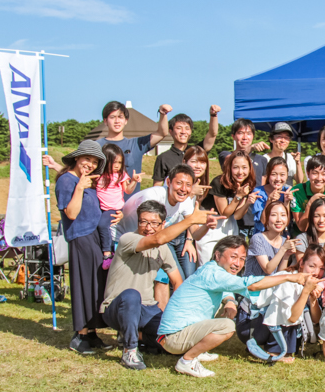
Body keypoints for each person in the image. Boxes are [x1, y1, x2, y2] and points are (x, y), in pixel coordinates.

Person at [157, 236, 309, 377]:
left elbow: (222, 289)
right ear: (217, 255)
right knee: (227, 326)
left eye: (242, 259)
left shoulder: (211, 269)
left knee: (225, 317)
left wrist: (230, 301)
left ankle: (196, 351)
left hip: (174, 334)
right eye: (233, 257)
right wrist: (290, 277)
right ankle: (187, 361)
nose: (238, 263)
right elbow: (252, 285)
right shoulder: (214, 274)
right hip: (173, 338)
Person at [100, 200, 216, 370]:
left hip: (147, 309)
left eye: (154, 223)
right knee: (132, 294)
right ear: (137, 222)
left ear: (163, 224)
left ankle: (136, 336)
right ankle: (129, 350)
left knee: (172, 338)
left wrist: (176, 315)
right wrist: (190, 221)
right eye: (144, 222)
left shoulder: (163, 250)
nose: (148, 228)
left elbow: (177, 282)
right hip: (116, 308)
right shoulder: (128, 240)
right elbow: (157, 239)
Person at [55, 140, 115, 354]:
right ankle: (79, 336)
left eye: (94, 161)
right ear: (77, 158)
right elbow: (70, 213)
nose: (90, 164)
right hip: (81, 237)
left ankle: (91, 333)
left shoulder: (85, 180)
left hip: (95, 238)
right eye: (87, 159)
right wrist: (80, 187)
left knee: (96, 286)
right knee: (83, 286)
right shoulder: (67, 181)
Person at [115, 164, 223, 284]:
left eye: (188, 185)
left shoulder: (185, 202)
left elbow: (196, 234)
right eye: (179, 183)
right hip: (122, 239)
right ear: (168, 182)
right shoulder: (153, 197)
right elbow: (152, 234)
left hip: (147, 241)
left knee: (164, 280)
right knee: (132, 282)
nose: (183, 189)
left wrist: (206, 226)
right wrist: (191, 220)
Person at [43, 101, 172, 198]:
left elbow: (161, 133)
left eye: (120, 117)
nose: (117, 121)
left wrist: (162, 114)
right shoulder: (96, 146)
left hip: (131, 205)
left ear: (126, 120)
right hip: (103, 208)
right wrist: (54, 165)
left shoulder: (136, 143)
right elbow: (78, 174)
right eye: (112, 117)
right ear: (105, 121)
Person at [236, 245, 325, 363]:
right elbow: (292, 318)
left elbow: (316, 319)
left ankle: (280, 348)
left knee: (294, 313)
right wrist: (305, 292)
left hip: (265, 321)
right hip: (249, 324)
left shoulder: (309, 283)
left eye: (322, 268)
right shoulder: (288, 280)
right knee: (286, 313)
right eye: (311, 266)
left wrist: (313, 299)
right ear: (301, 263)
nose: (316, 272)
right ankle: (273, 351)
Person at [95, 143, 143, 269]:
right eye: (114, 162)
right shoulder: (99, 175)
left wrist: (133, 181)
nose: (117, 166)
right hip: (102, 209)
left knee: (102, 225)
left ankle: (107, 254)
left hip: (114, 208)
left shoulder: (120, 175)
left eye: (120, 162)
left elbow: (127, 190)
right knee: (106, 229)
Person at [152, 106, 221, 185]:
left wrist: (213, 115)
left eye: (187, 128)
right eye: (179, 128)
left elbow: (212, 134)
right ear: (170, 131)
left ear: (191, 132)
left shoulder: (197, 151)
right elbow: (157, 187)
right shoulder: (163, 158)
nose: (183, 132)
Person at [243, 202, 300, 277]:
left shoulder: (284, 241)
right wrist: (283, 249)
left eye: (283, 215)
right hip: (254, 286)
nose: (279, 219)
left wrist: (287, 255)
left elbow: (279, 275)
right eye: (274, 215)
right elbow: (268, 270)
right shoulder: (258, 238)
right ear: (266, 218)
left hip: (271, 287)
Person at [290, 155, 325, 233]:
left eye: (324, 174)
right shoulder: (296, 191)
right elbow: (302, 227)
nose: (319, 178)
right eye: (315, 173)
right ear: (308, 174)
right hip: (304, 235)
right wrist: (310, 203)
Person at [252, 156, 297, 234]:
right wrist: (269, 200)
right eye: (274, 174)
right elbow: (263, 221)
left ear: (287, 175)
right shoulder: (258, 192)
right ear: (268, 174)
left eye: (282, 174)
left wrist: (286, 202)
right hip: (263, 236)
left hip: (281, 236)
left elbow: (286, 223)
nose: (278, 179)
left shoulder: (287, 191)